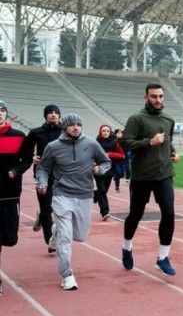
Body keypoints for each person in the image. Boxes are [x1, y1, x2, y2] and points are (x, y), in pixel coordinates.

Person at [35, 114, 111, 290]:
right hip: (62, 194)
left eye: (79, 124)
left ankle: (56, 230)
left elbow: (106, 162)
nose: (76, 127)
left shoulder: (91, 144)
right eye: (72, 125)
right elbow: (44, 168)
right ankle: (67, 275)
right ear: (65, 127)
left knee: (79, 236)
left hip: (84, 195)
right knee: (66, 239)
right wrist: (42, 182)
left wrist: (100, 169)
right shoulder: (53, 147)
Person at [120, 83, 180, 276]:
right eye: (154, 96)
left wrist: (173, 153)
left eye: (161, 96)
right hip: (142, 176)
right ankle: (127, 247)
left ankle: (163, 257)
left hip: (164, 175)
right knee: (135, 215)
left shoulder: (168, 119)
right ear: (145, 97)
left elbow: (167, 143)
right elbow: (125, 143)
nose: (158, 100)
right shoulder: (137, 119)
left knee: (169, 214)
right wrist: (149, 142)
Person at [0, 100, 32, 296]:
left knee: (9, 239)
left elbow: (27, 160)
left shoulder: (19, 136)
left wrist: (15, 171)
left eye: (2, 110)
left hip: (10, 194)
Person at [21, 104, 61, 252]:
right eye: (50, 113)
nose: (53, 115)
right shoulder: (36, 132)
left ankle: (43, 218)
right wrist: (32, 157)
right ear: (45, 116)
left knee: (58, 207)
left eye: (56, 112)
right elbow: (25, 149)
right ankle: (50, 240)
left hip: (61, 174)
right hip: (42, 174)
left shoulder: (65, 131)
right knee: (46, 208)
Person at [94, 124, 125, 221]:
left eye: (107, 131)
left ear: (110, 132)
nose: (105, 133)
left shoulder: (115, 143)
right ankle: (105, 212)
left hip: (110, 170)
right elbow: (91, 154)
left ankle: (96, 195)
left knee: (103, 191)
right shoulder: (95, 142)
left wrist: (110, 154)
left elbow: (122, 155)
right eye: (103, 131)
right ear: (100, 132)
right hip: (98, 169)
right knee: (102, 190)